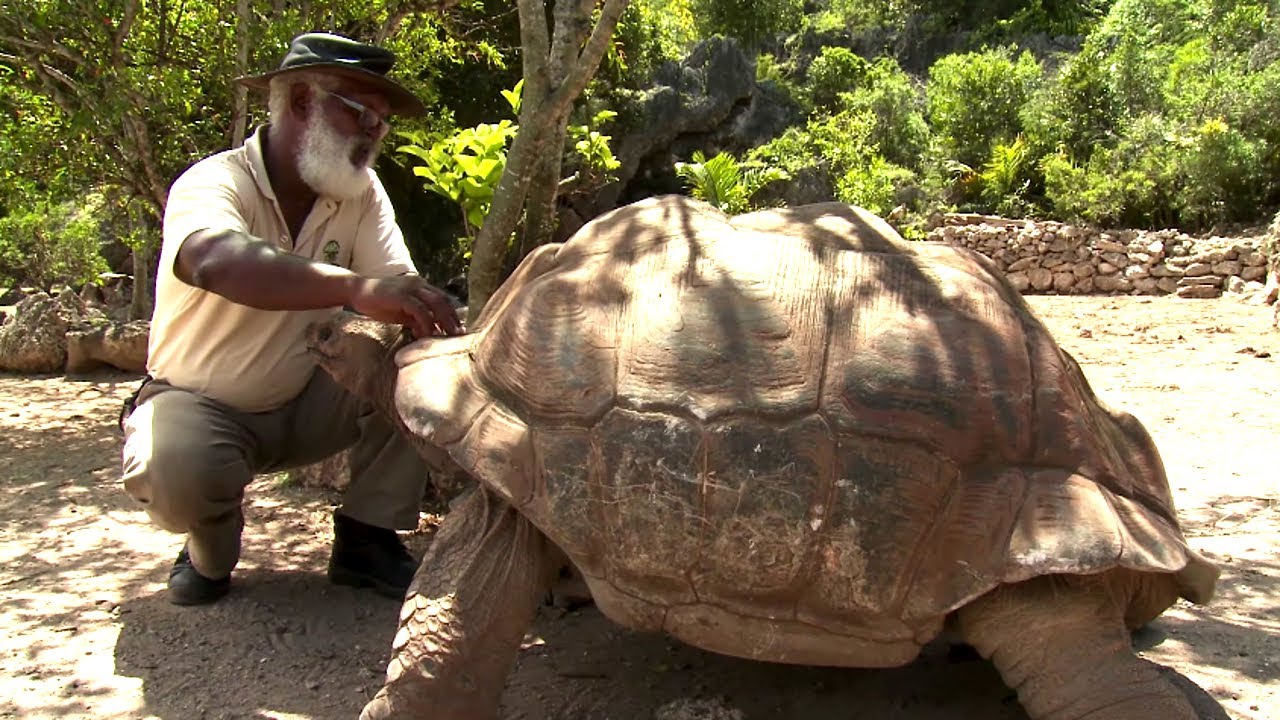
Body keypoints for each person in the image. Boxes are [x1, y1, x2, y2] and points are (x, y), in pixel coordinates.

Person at [121, 32, 462, 606]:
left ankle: (367, 536)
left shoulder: (361, 193)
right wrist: (355, 288)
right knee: (176, 468)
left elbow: (398, 290)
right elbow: (214, 261)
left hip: (311, 399)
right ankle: (211, 543)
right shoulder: (214, 182)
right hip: (204, 404)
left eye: (382, 119)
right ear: (301, 101)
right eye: (359, 111)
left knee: (419, 352)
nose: (375, 130)